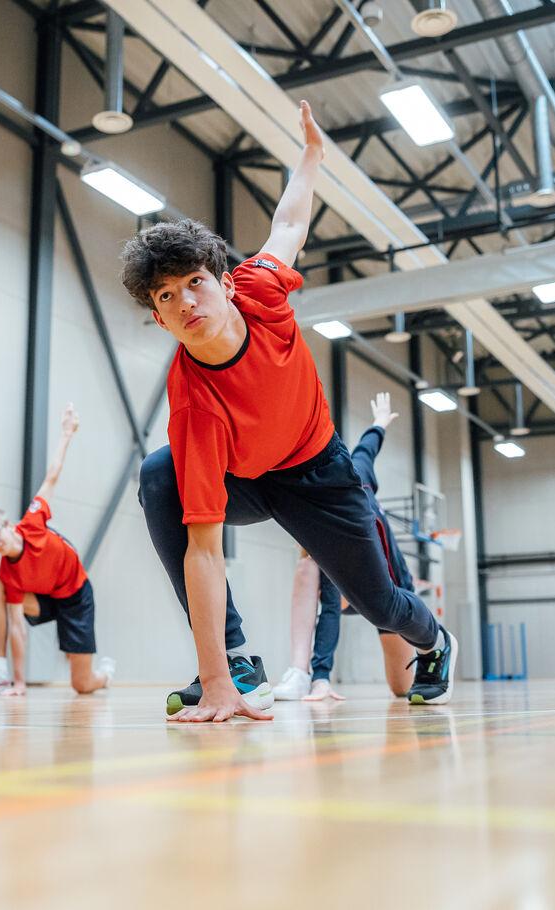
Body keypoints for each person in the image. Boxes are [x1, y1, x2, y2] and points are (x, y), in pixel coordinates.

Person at [125, 100, 454, 723]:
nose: (184, 301)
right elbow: (203, 549)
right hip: (250, 478)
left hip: (318, 473)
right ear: (159, 319)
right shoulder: (193, 402)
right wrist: (215, 684)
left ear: (225, 283)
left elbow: (290, 223)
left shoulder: (261, 290)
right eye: (166, 296)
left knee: (380, 605)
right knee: (157, 475)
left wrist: (311, 155)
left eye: (194, 282)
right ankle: (235, 661)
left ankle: (436, 641)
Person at [274, 393, 436, 703]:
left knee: (401, 688)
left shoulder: (357, 476)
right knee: (310, 568)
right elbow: (330, 609)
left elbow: (366, 449)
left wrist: (380, 423)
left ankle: (435, 651)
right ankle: (301, 673)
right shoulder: (325, 524)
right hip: (351, 589)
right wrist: (321, 678)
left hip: (393, 595)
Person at [0, 404, 115, 696]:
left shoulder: (33, 521)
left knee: (82, 685)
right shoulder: (8, 572)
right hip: (44, 600)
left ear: (9, 525)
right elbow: (17, 626)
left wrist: (67, 433)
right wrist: (20, 683)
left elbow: (52, 476)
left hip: (75, 597)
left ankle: (105, 674)